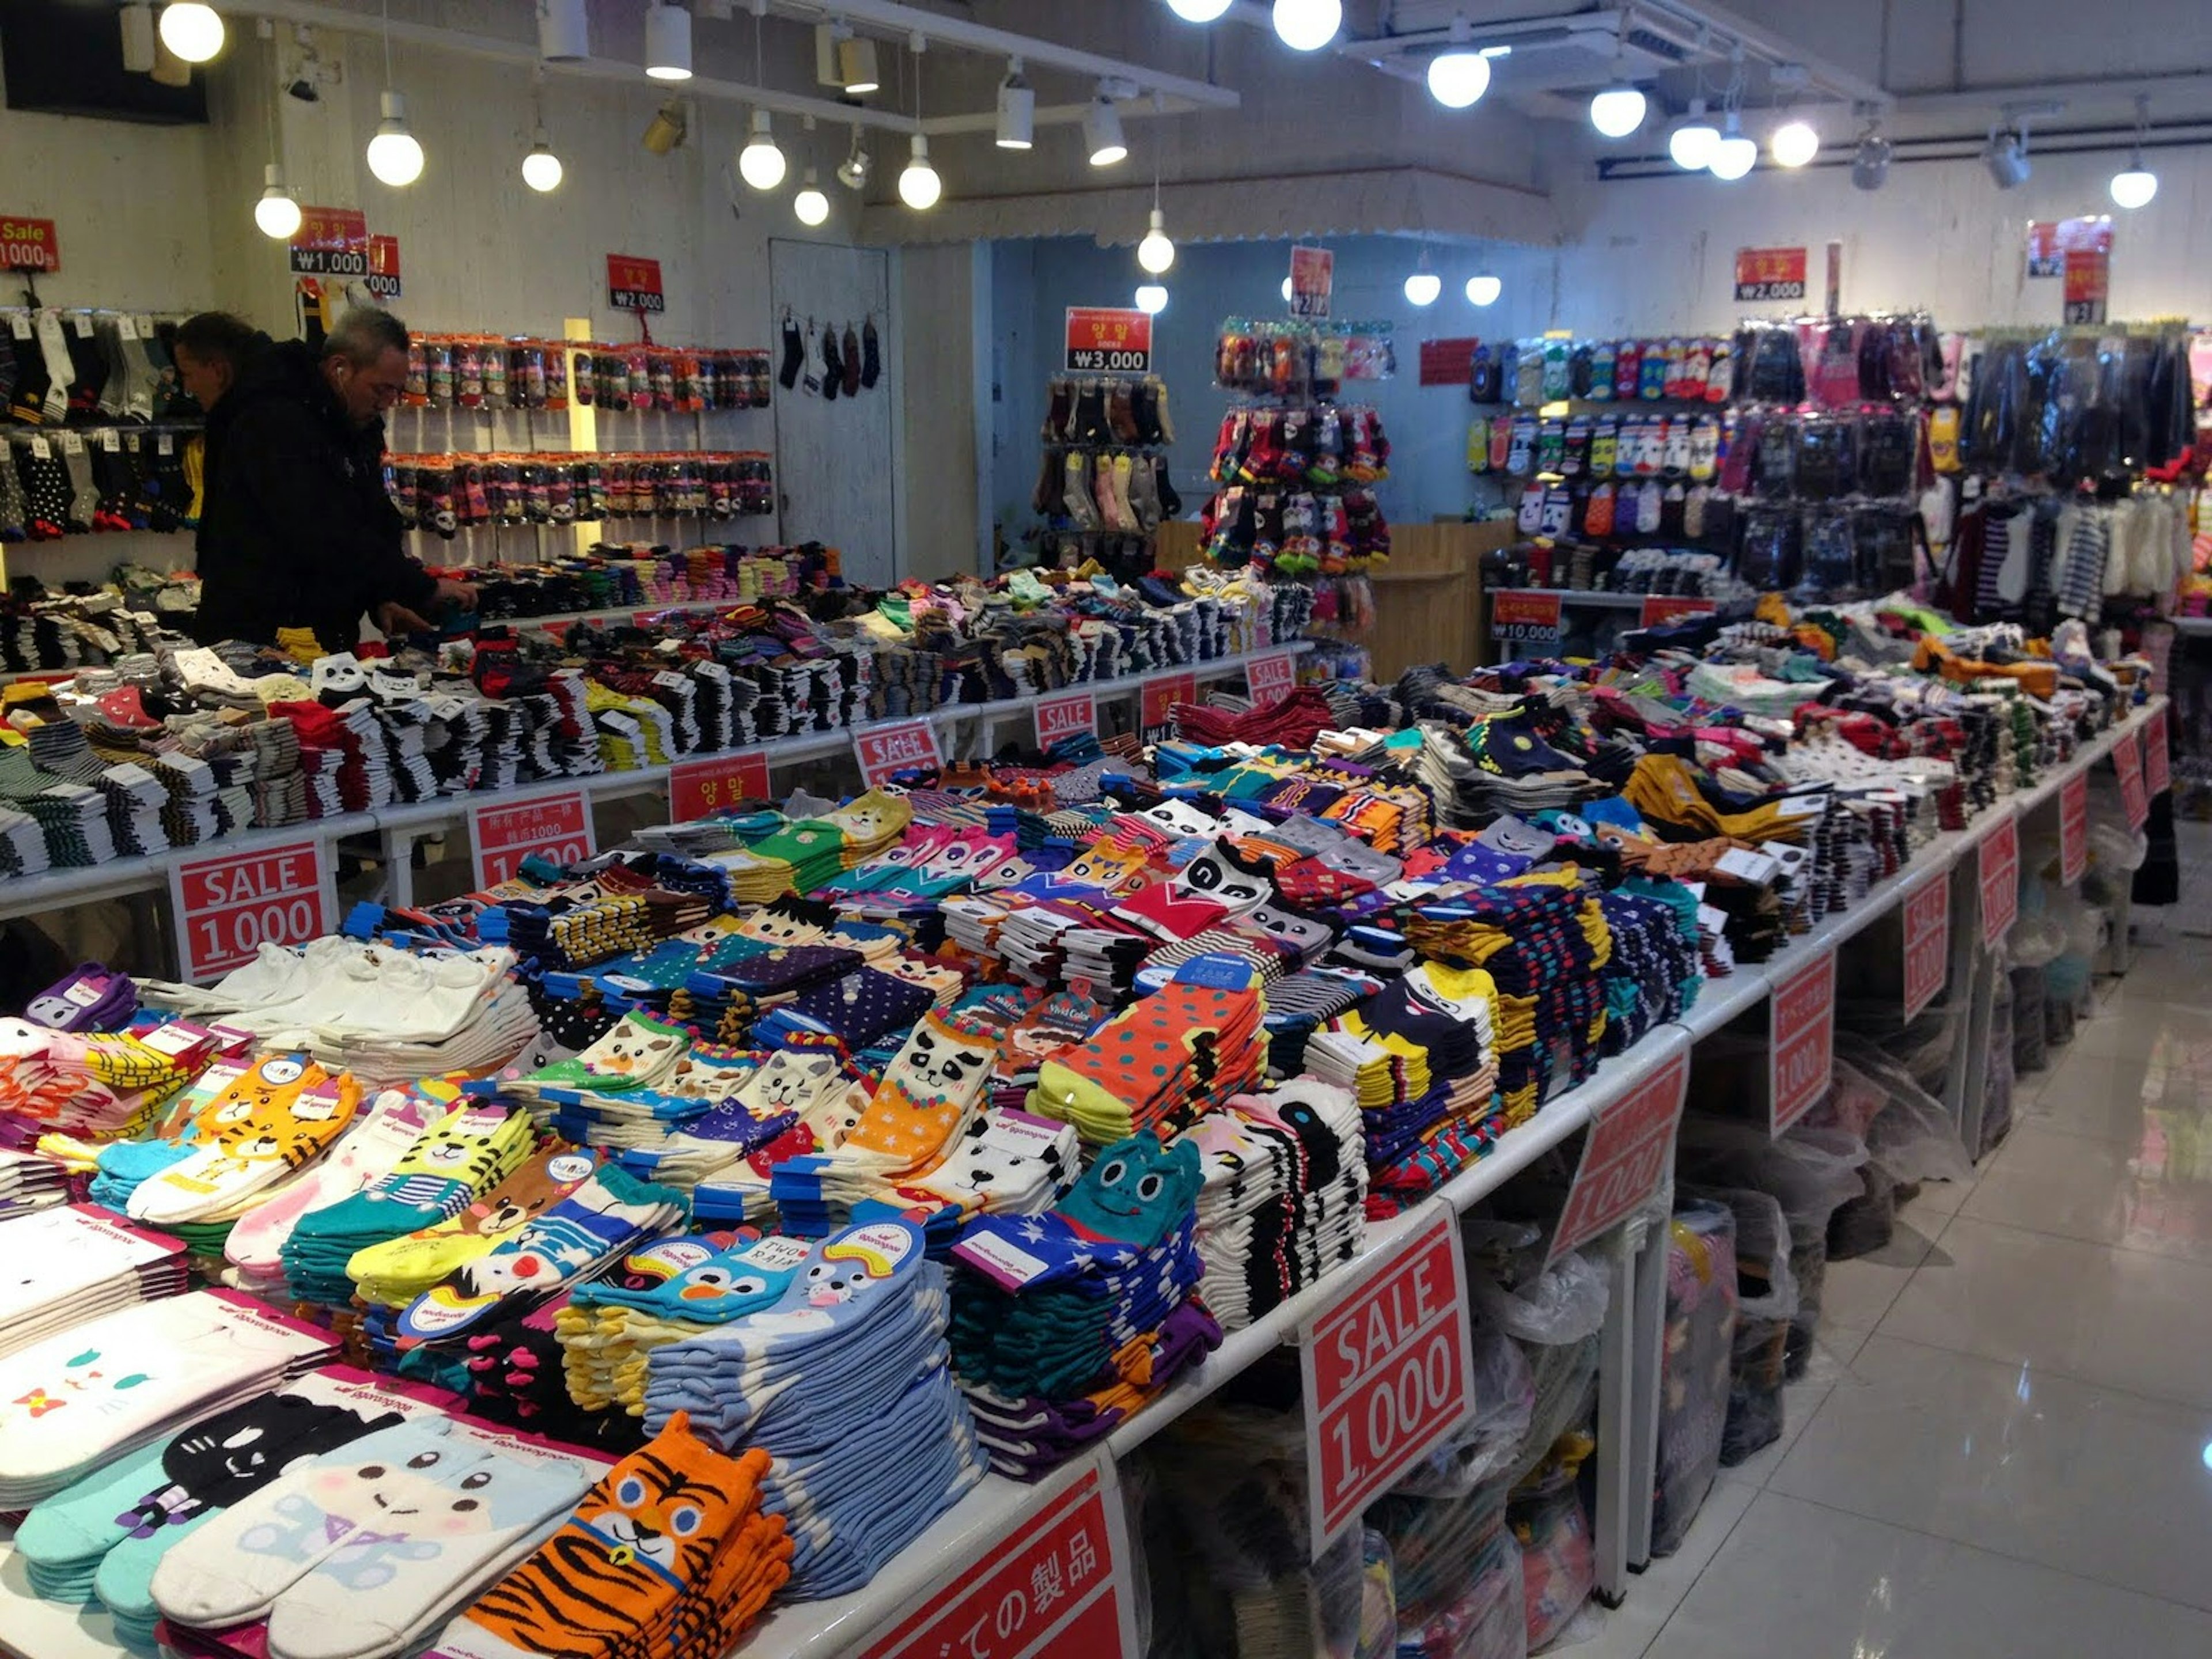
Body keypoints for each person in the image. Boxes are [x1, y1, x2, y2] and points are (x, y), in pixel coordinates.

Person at [192, 305, 474, 650]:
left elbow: (370, 515)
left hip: (320, 633)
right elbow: (320, 528)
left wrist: (381, 596)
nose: (387, 403)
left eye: (395, 392)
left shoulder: (354, 422)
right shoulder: (273, 419)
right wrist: (421, 589)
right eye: (379, 389)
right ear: (340, 368)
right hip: (256, 634)